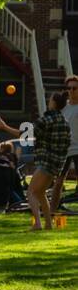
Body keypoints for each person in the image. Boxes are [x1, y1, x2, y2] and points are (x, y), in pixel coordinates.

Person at [0, 92, 71, 230]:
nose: (48, 102)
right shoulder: (65, 122)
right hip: (57, 165)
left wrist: (5, 127)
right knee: (40, 193)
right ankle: (48, 224)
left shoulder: (46, 120)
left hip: (45, 162)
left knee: (31, 191)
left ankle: (37, 224)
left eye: (50, 100)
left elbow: (24, 135)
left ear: (53, 103)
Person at [50, 74, 78, 208]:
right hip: (64, 150)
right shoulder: (63, 108)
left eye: (75, 88)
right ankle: (52, 211)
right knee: (58, 182)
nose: (71, 91)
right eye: (69, 88)